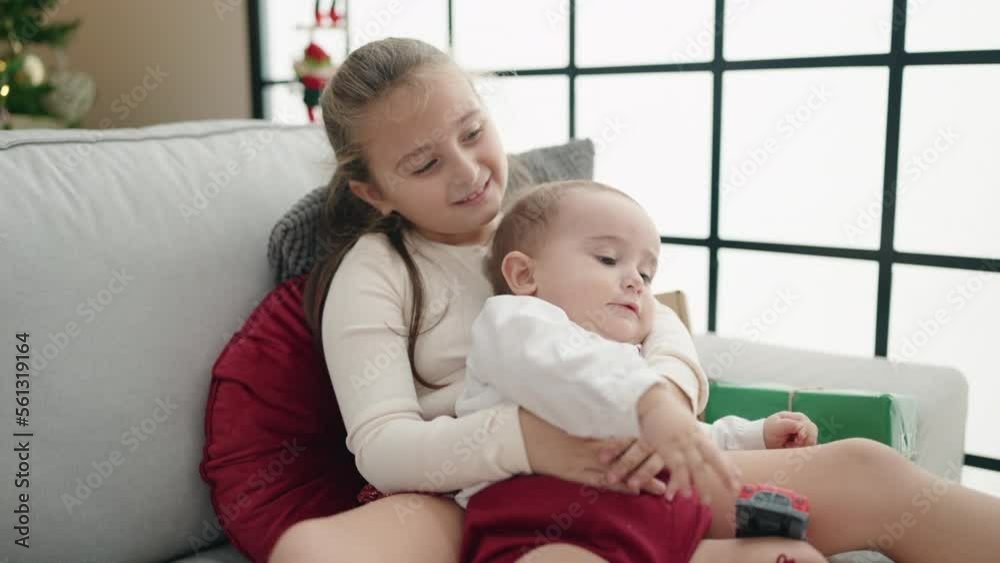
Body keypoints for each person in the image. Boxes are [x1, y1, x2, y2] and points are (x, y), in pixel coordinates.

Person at [268, 37, 1000, 563]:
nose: (467, 171)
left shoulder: (553, 212)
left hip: (635, 455)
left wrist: (668, 401)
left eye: (473, 132)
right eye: (425, 163)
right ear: (373, 190)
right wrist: (532, 441)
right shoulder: (377, 270)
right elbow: (383, 446)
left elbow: (654, 317)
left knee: (869, 471)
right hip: (470, 484)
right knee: (312, 550)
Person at [453, 179, 825, 563]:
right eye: (608, 259)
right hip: (542, 533)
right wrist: (651, 402)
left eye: (646, 275)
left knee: (795, 556)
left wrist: (752, 435)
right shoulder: (514, 326)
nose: (635, 282)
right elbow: (569, 373)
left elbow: (678, 436)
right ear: (524, 275)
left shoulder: (633, 361)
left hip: (661, 531)